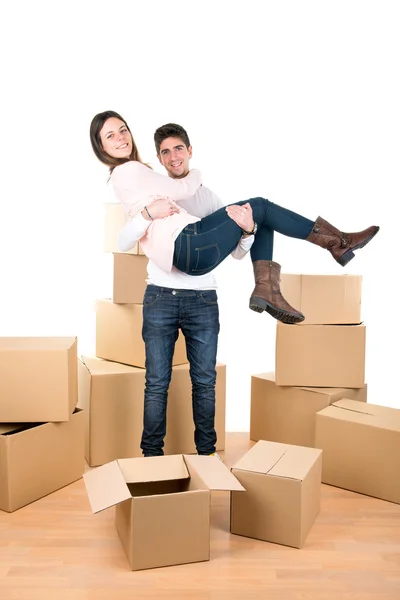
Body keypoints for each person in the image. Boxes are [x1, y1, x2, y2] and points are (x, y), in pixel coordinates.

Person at [90, 113, 254, 457]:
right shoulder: (151, 189)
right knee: (156, 384)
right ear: (160, 159)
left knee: (205, 383)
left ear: (189, 151)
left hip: (203, 300)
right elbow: (123, 239)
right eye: (165, 152)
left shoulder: (207, 198)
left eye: (179, 149)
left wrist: (249, 232)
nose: (173, 156)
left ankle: (206, 456)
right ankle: (152, 459)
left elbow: (237, 252)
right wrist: (149, 214)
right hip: (160, 298)